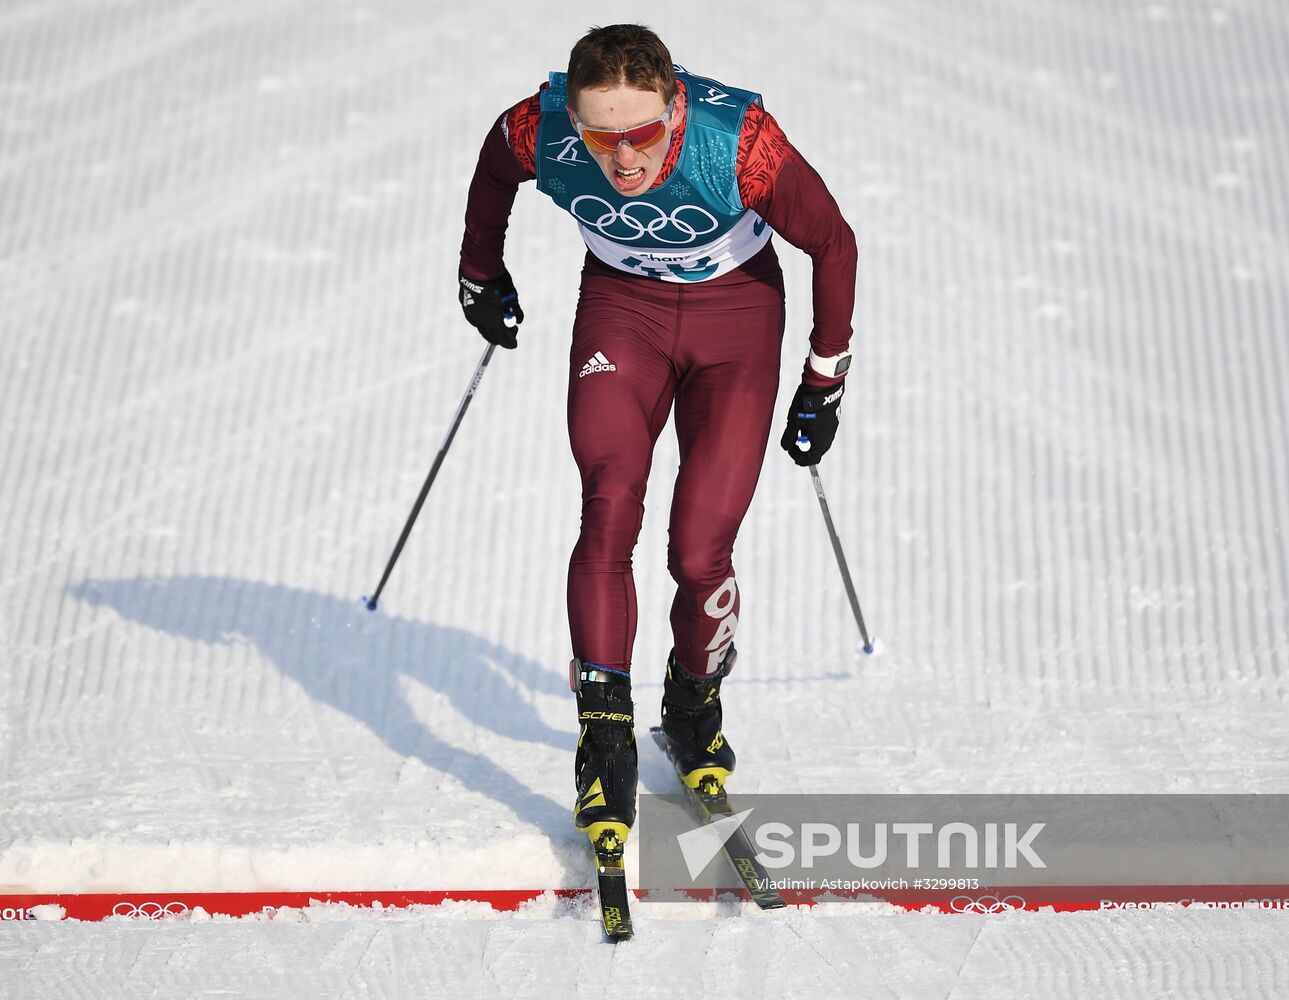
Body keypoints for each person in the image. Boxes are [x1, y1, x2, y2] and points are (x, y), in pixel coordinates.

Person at [458, 24, 856, 850]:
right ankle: (604, 737)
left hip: (734, 318)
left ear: (675, 106)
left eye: (642, 132)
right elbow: (494, 169)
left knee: (698, 551)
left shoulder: (740, 144)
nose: (623, 158)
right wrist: (479, 270)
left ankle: (693, 701)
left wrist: (824, 378)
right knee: (607, 508)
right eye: (600, 136)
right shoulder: (542, 129)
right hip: (623, 313)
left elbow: (833, 242)